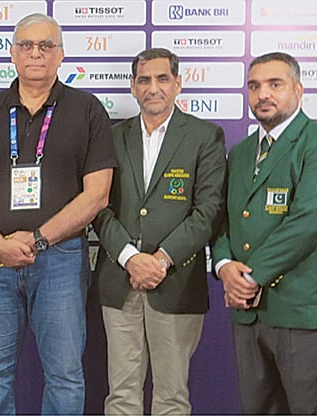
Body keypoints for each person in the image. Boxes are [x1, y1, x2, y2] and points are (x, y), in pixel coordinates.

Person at [0, 13, 117, 415]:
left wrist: (38, 239)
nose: (36, 53)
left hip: (60, 259)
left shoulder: (87, 109)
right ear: (12, 53)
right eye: (26, 45)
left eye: (46, 45)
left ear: (61, 55)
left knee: (64, 374)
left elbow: (98, 195)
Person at [92, 48, 226, 415]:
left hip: (177, 284)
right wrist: (131, 258)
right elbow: (97, 205)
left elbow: (209, 210)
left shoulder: (204, 136)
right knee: (121, 396)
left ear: (178, 84)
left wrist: (161, 260)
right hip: (120, 281)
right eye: (145, 80)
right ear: (132, 87)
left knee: (171, 398)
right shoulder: (111, 137)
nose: (153, 88)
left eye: (162, 79)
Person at [213, 52, 317, 414]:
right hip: (247, 313)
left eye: (275, 84)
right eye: (254, 86)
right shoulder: (240, 152)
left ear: (299, 90)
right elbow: (222, 219)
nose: (263, 95)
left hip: (300, 311)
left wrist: (251, 277)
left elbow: (308, 221)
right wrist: (226, 266)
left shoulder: (313, 141)